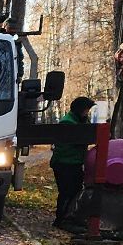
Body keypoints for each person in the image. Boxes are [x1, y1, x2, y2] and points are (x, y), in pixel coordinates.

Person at [51, 95, 93, 231]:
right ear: (80, 110)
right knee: (67, 191)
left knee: (75, 190)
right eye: (86, 110)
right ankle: (62, 218)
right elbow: (78, 141)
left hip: (73, 163)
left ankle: (70, 217)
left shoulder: (79, 121)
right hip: (65, 163)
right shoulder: (68, 123)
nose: (87, 113)